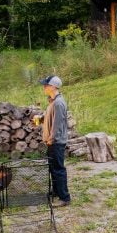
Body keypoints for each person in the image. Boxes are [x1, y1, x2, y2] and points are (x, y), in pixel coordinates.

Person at [37, 75, 71, 206]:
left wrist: (51, 138)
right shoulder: (52, 101)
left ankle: (65, 198)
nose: (44, 87)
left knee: (58, 169)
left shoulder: (59, 103)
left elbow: (57, 124)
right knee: (53, 168)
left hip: (56, 142)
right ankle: (56, 192)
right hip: (51, 141)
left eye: (46, 85)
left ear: (53, 86)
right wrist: (40, 119)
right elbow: (50, 117)